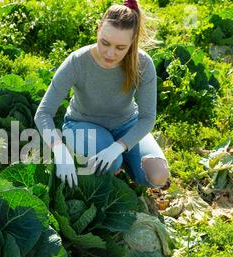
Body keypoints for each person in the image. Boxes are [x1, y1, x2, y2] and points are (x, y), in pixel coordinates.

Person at [34, 0, 169, 189]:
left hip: (126, 124)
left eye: (120, 48)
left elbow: (147, 118)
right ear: (98, 29)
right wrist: (59, 150)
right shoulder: (77, 62)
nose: (110, 53)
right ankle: (116, 163)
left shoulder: (143, 64)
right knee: (110, 163)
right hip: (82, 124)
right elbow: (43, 113)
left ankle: (121, 159)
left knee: (157, 175)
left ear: (132, 41)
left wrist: (119, 146)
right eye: (105, 43)